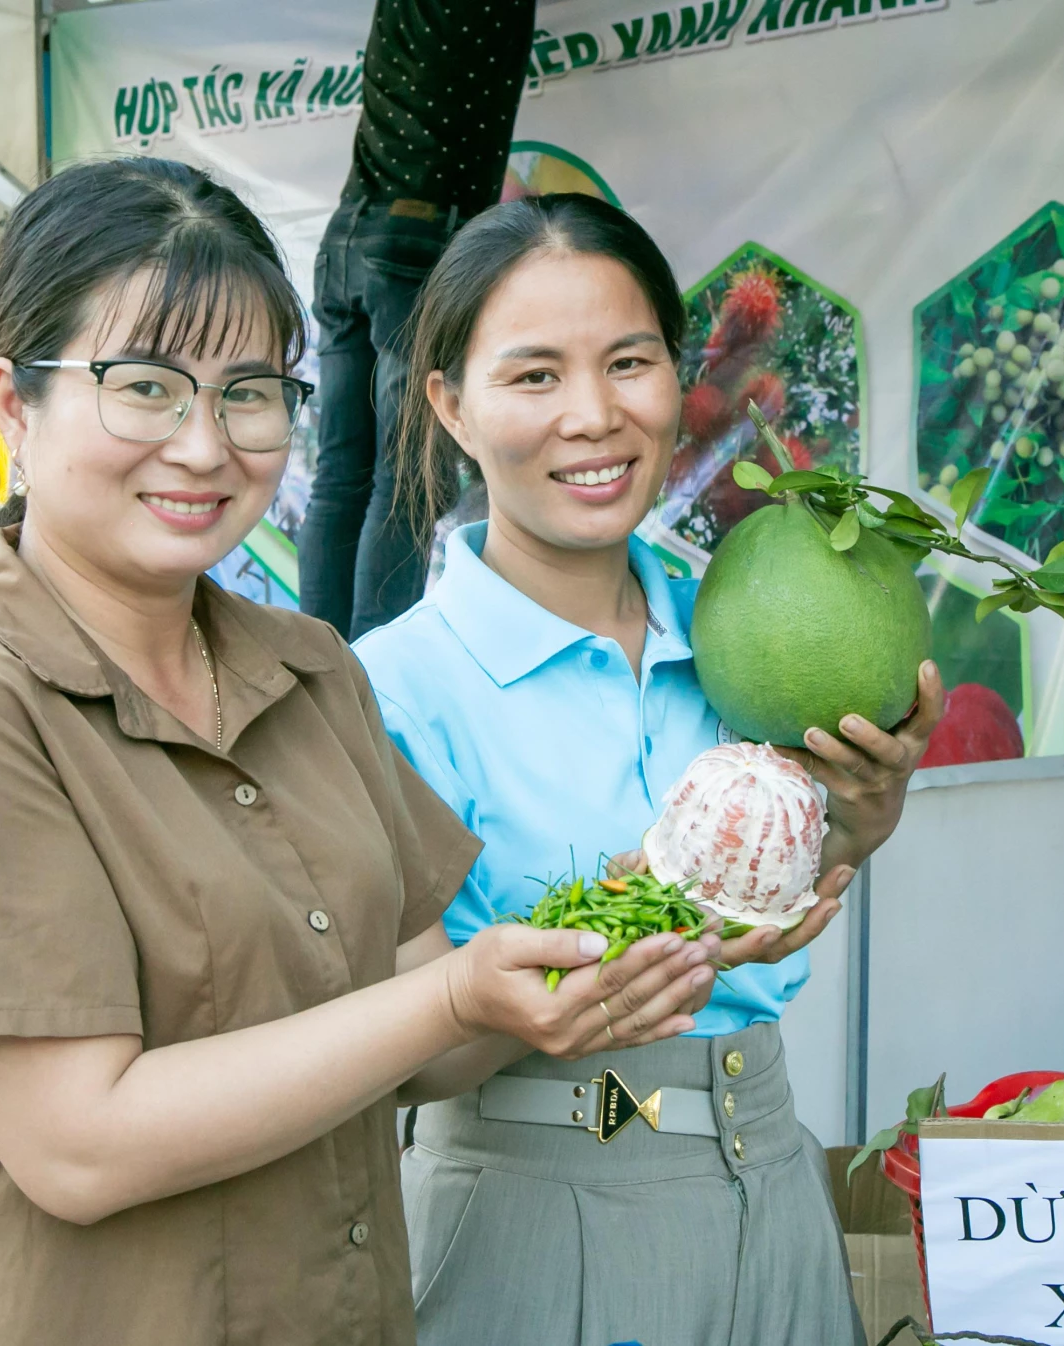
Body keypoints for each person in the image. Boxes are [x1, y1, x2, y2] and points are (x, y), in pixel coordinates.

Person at [0, 157, 714, 1346]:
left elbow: (420, 1043)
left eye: (250, 392)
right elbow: (79, 1142)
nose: (204, 445)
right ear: (12, 405)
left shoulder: (309, 669)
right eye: (144, 386)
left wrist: (600, 950)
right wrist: (452, 993)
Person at [354, 194, 945, 1345]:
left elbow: (762, 883)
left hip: (773, 1174)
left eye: (629, 362)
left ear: (678, 380)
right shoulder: (391, 689)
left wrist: (860, 817)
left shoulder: (748, 635)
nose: (593, 415)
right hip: (540, 1208)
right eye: (533, 376)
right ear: (449, 405)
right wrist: (589, 978)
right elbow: (395, 1053)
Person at [297, 0, 536, 640]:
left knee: (341, 473)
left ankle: (320, 667)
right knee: (405, 480)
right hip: (415, 235)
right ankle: (372, 679)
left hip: (348, 233)